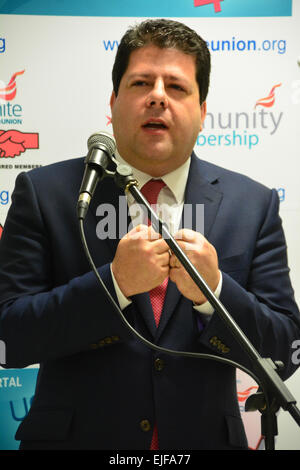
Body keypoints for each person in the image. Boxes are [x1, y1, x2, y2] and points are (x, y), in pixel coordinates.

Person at [0, 18, 299, 450]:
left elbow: (285, 352)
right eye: (141, 83)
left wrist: (214, 289)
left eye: (177, 87)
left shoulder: (253, 205)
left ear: (202, 113)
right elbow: (8, 341)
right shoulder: (45, 193)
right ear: (114, 102)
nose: (158, 95)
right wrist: (114, 285)